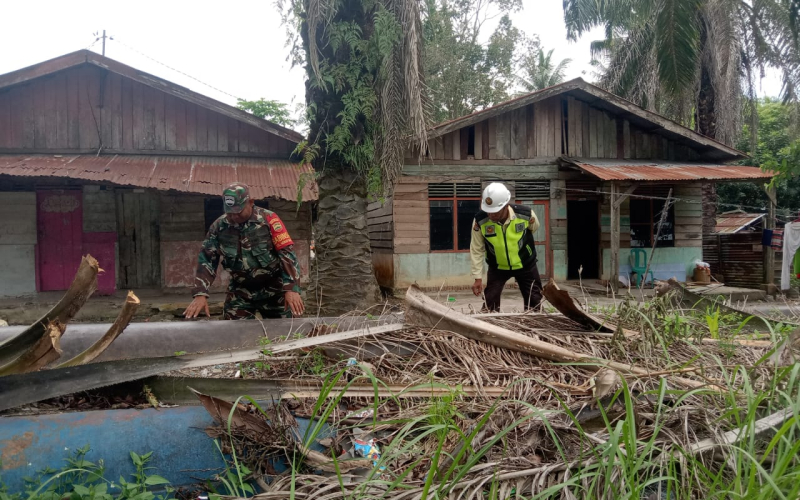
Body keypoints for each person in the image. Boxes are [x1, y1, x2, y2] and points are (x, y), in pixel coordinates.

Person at [184, 183, 305, 320]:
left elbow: (287, 254)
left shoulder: (269, 219)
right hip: (240, 290)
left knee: (286, 329)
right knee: (234, 330)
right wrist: (201, 293)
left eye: (238, 212)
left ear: (251, 202)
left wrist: (291, 288)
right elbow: (207, 259)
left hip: (274, 288)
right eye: (230, 212)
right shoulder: (219, 226)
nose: (234, 217)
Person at [470, 182, 543, 312]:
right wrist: (477, 277)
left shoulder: (526, 215)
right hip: (497, 267)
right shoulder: (480, 221)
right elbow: (476, 249)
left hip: (526, 265)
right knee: (489, 303)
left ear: (506, 205)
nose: (491, 215)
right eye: (488, 211)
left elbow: (534, 228)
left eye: (495, 212)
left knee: (535, 301)